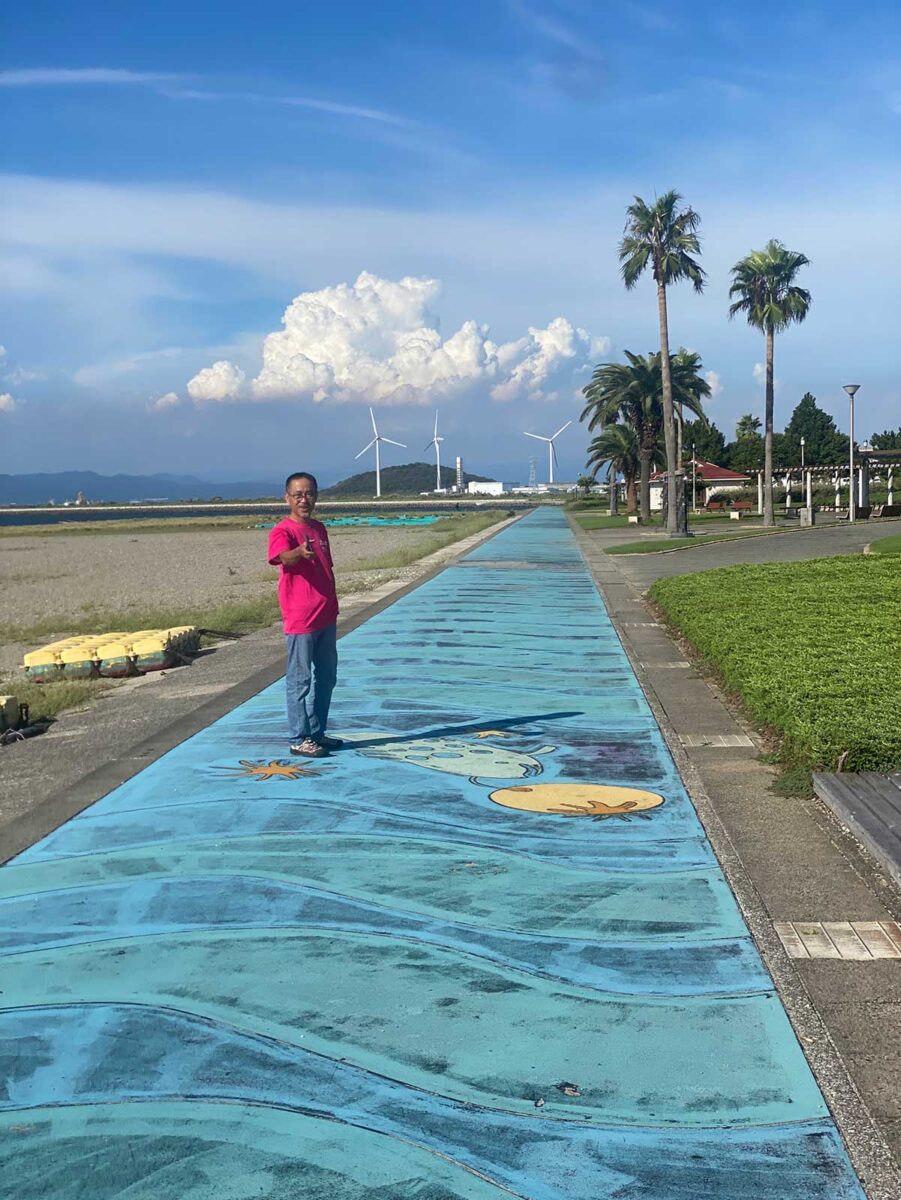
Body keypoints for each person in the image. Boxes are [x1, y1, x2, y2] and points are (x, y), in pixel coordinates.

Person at [268, 472, 342, 758]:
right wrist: (297, 552)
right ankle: (298, 737)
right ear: (287, 497)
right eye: (298, 494)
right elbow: (281, 557)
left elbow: (327, 569)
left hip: (326, 615)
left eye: (309, 493)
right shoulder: (282, 531)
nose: (304, 499)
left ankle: (316, 731)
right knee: (300, 680)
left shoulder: (320, 529)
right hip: (301, 618)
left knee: (327, 676)